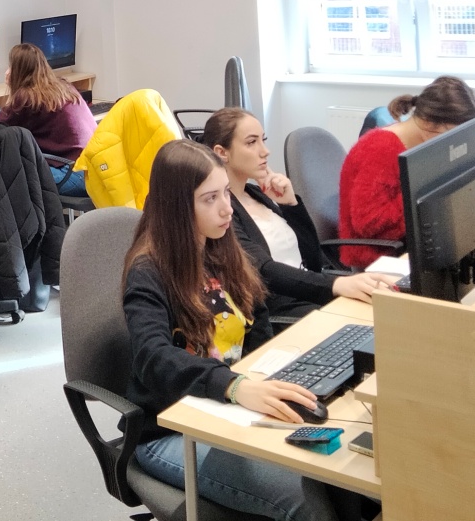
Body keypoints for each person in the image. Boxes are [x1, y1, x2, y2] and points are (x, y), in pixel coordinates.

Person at [123, 140, 363, 521]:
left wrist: (266, 377)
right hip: (170, 431)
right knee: (301, 497)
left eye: (225, 193)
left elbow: (257, 313)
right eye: (210, 199)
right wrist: (233, 386)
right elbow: (154, 356)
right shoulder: (147, 272)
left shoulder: (219, 246)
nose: (227, 208)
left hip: (232, 409)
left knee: (343, 473)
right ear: (176, 207)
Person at [202, 108, 396, 311]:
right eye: (251, 142)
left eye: (263, 140)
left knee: (391, 305)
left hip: (310, 293)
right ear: (221, 153)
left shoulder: (257, 194)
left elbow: (313, 261)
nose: (265, 151)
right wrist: (336, 285)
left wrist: (291, 205)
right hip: (284, 308)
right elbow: (264, 271)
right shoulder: (223, 212)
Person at [339, 76, 475, 269]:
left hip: (416, 245)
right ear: (429, 124)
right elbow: (368, 224)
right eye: (453, 133)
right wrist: (423, 194)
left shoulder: (422, 146)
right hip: (379, 261)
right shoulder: (380, 149)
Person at [0, 43, 97, 196]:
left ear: (18, 71)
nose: (7, 72)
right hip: (94, 171)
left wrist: (12, 89)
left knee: (8, 173)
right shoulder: (64, 86)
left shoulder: (26, 98)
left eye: (10, 67)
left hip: (73, 175)